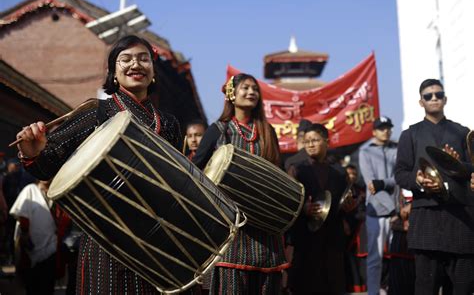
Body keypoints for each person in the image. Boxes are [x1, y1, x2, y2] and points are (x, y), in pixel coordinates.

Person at [15, 35, 182, 294]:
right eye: (125, 59)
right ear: (113, 73)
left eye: (143, 59)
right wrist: (34, 151)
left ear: (153, 72)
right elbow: (45, 167)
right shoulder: (95, 113)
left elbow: (178, 181)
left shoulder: (169, 123)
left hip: (156, 240)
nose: (135, 64)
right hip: (106, 238)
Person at [193, 73, 288, 295]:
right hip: (232, 225)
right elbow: (197, 167)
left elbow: (278, 171)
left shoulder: (267, 131)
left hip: (265, 224)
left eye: (255, 89)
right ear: (231, 94)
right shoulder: (219, 129)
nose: (251, 92)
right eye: (245, 88)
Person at [394, 78, 474, 294]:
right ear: (421, 102)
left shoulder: (462, 132)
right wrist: (418, 181)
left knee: (463, 287)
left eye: (438, 94)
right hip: (426, 218)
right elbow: (400, 172)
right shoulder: (410, 134)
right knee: (425, 287)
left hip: (460, 217)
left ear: (445, 99)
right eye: (428, 96)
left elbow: (472, 169)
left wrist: (458, 165)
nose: (434, 99)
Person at [286, 123, 348, 295]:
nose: (310, 145)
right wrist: (303, 208)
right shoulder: (297, 169)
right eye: (307, 142)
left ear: (326, 142)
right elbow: (289, 200)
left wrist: (347, 206)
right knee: (307, 284)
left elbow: (343, 202)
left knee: (332, 283)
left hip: (332, 238)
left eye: (315, 140)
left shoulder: (338, 172)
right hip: (306, 237)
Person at [358, 116, 398, 295]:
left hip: (397, 211)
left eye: (388, 127)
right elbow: (371, 185)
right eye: (382, 128)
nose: (386, 131)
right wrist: (393, 208)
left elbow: (400, 179)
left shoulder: (396, 150)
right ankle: (373, 292)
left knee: (399, 257)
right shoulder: (365, 152)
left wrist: (383, 182)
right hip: (377, 211)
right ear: (374, 132)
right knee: (375, 257)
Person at [9, 180, 56, 295]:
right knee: (33, 286)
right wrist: (25, 236)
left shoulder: (55, 192)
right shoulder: (30, 189)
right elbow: (23, 215)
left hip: (52, 246)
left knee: (47, 286)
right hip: (32, 247)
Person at [344, 164, 368, 293]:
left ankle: (360, 286)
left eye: (354, 174)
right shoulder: (342, 189)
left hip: (359, 228)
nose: (352, 176)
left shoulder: (360, 190)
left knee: (358, 258)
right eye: (349, 174)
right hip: (346, 227)